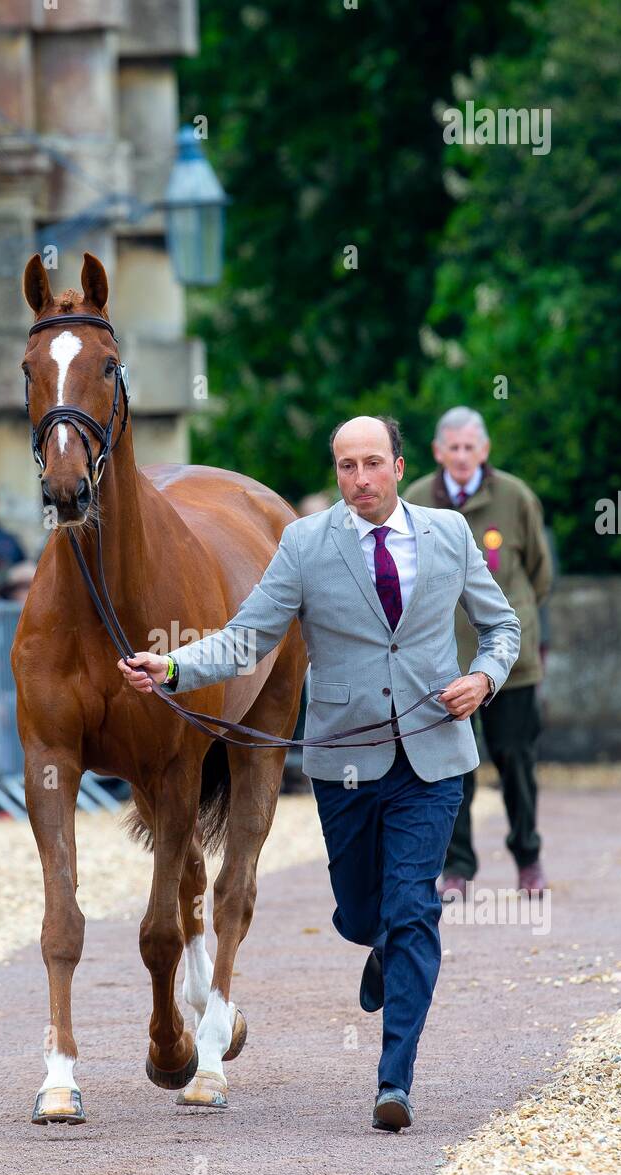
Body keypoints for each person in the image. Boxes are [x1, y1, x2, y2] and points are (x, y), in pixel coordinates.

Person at [118, 416, 520, 1134]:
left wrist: (484, 679)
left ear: (399, 467)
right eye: (345, 466)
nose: (358, 478)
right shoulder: (305, 543)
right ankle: (381, 944)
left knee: (412, 908)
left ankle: (394, 1080)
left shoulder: (449, 536)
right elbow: (249, 636)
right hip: (347, 763)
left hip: (434, 756)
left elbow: (503, 628)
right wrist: (173, 667)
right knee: (363, 914)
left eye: (371, 463)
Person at [404, 407, 553, 896]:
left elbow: (539, 573)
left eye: (472, 448)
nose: (463, 457)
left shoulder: (516, 497)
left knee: (516, 761)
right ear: (438, 451)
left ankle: (528, 859)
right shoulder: (417, 501)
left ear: (484, 451)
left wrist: (513, 626)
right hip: (443, 664)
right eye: (454, 448)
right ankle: (459, 868)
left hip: (511, 664)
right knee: (455, 767)